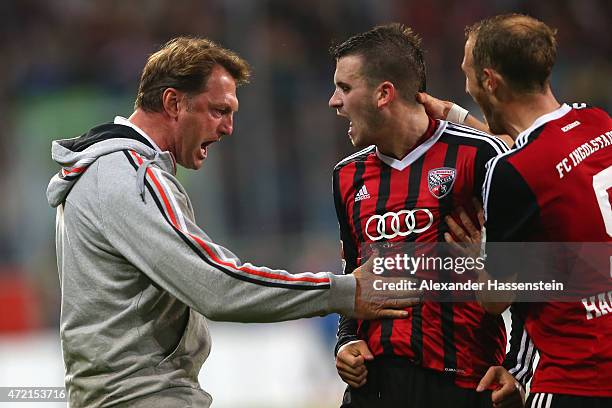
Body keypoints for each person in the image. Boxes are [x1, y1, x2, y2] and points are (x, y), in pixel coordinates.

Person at [45, 37, 416, 407]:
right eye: (219, 110)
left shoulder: (104, 173)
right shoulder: (129, 177)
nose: (228, 128)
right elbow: (216, 286)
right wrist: (344, 291)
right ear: (174, 103)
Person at [328, 24, 525, 408]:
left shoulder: (479, 155)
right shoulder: (346, 175)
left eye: (344, 88)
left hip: (465, 383)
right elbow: (354, 273)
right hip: (376, 386)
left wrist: (516, 368)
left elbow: (532, 275)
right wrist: (347, 339)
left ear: (384, 93)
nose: (333, 101)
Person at [425, 14, 612, 408]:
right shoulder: (596, 121)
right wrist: (458, 118)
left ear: (490, 81)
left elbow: (496, 298)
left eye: (467, 73)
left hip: (576, 380)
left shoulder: (510, 173)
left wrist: (478, 258)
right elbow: (540, 154)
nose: (467, 85)